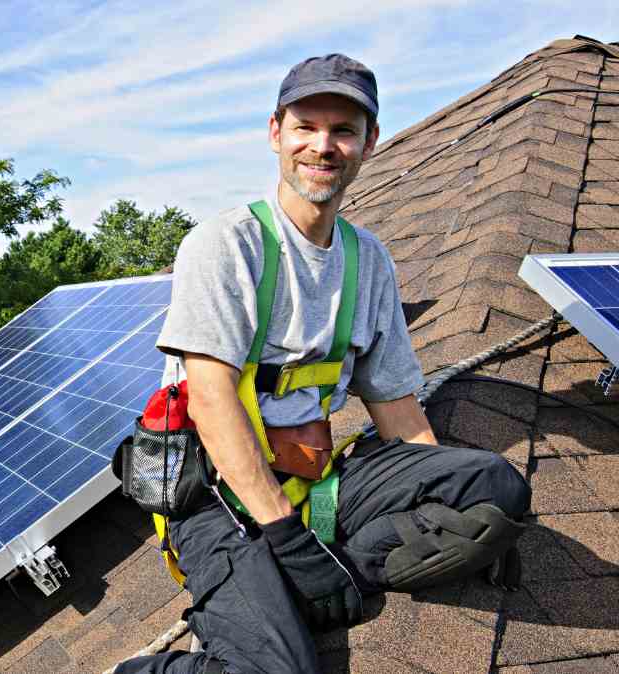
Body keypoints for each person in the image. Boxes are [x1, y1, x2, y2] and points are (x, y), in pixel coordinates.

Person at [115, 54, 531, 674]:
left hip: (317, 482)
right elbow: (209, 399)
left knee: (495, 485)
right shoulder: (228, 245)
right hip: (218, 501)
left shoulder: (368, 260)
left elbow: (395, 406)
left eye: (343, 130)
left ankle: (303, 590)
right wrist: (287, 540)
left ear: (369, 142)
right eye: (306, 126)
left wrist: (465, 522)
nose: (323, 146)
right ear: (275, 131)